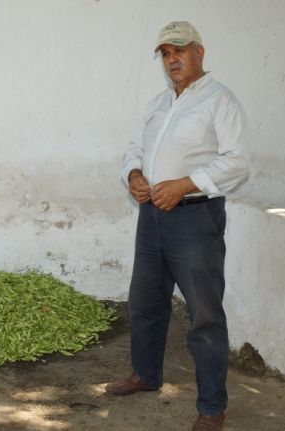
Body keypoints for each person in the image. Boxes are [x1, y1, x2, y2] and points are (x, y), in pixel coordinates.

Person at [107, 21, 250, 431]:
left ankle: (211, 407)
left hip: (194, 217)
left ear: (199, 53)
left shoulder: (220, 101)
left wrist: (186, 184)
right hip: (152, 216)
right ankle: (146, 375)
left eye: (180, 51)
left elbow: (237, 161)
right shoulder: (159, 102)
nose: (172, 60)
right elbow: (135, 147)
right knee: (145, 301)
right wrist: (134, 175)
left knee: (204, 314)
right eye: (166, 53)